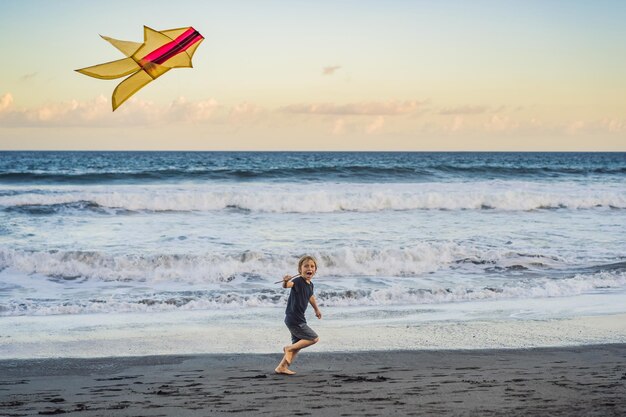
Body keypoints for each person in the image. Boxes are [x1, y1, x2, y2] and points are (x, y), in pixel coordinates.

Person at [275, 255, 322, 375]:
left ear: (315, 271)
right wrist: (285, 281)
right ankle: (288, 349)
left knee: (297, 345)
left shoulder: (310, 284)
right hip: (294, 319)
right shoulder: (297, 281)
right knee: (313, 338)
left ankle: (282, 367)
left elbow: (310, 297)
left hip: (297, 318)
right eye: (306, 266)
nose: (309, 268)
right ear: (299, 270)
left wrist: (316, 309)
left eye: (312, 266)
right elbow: (287, 286)